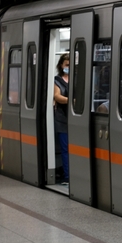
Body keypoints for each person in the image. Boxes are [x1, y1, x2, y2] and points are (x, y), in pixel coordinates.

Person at [52, 53, 70, 185]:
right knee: (66, 148)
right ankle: (67, 176)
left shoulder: (79, 78)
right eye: (67, 65)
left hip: (76, 118)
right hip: (62, 118)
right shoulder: (57, 80)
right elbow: (57, 96)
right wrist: (71, 101)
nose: (69, 67)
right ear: (61, 65)